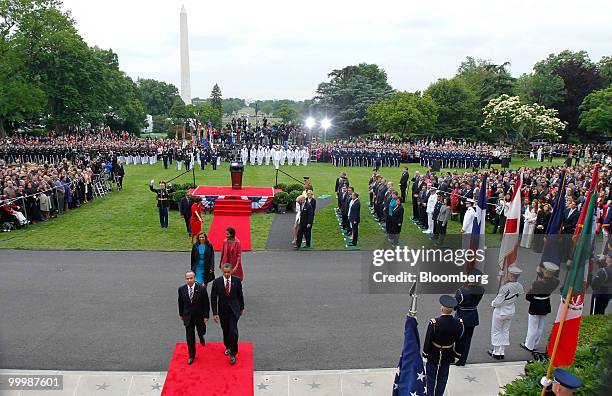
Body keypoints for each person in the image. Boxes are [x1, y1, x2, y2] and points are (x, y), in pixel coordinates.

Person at [422, 295, 464, 396]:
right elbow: (460, 341)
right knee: (443, 377)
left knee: (431, 377)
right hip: (448, 354)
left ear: (441, 308)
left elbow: (428, 340)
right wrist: (457, 355)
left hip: (433, 353)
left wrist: (425, 354)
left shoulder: (434, 323)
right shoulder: (459, 323)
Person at [521, 262, 560, 352]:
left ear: (546, 271)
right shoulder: (556, 281)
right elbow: (548, 281)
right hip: (545, 304)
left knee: (533, 326)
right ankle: (535, 344)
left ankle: (529, 345)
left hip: (536, 305)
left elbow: (528, 296)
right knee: (540, 326)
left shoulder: (537, 283)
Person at [211, 264, 245, 365]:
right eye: (224, 272)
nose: (226, 274)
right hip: (223, 310)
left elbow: (240, 294)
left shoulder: (237, 281)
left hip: (234, 310)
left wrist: (242, 307)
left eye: (228, 272)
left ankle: (233, 353)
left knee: (233, 331)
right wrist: (215, 313)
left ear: (231, 271)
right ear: (222, 271)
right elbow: (213, 297)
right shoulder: (216, 282)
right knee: (225, 330)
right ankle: (228, 346)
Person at [489, 266, 524, 360]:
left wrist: (492, 303)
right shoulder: (520, 286)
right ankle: (502, 351)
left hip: (501, 311)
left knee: (496, 331)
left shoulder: (505, 287)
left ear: (510, 274)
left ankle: (496, 352)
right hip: (511, 310)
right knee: (505, 331)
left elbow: (498, 302)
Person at [178, 271, 210, 365]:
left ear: (194, 278)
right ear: (185, 279)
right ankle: (191, 355)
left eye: (191, 278)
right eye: (187, 278)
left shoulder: (202, 289)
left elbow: (206, 303)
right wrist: (181, 314)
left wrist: (206, 315)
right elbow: (180, 302)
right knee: (190, 336)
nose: (189, 280)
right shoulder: (181, 289)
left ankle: (201, 336)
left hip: (199, 315)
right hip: (188, 316)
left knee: (201, 330)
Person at [454, 269, 485, 366]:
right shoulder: (481, 290)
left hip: (461, 316)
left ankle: (455, 357)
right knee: (467, 340)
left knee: (458, 339)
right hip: (472, 316)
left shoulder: (461, 291)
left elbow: (454, 306)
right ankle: (462, 360)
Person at [590, 249, 612, 315]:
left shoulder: (603, 271)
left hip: (598, 295)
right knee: (601, 311)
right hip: (608, 294)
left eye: (608, 257)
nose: (606, 257)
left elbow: (594, 284)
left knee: (594, 313)